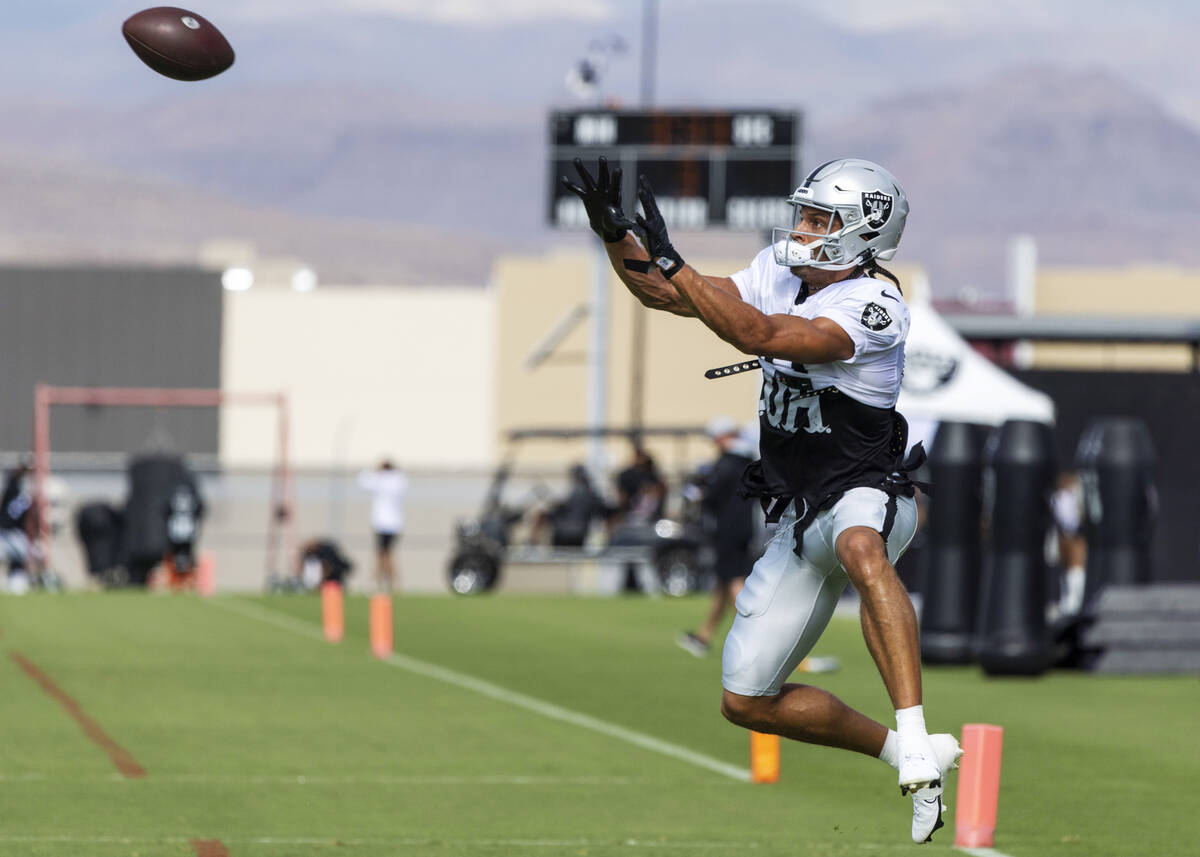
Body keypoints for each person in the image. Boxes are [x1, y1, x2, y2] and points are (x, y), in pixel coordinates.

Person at [563, 156, 961, 843]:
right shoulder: (778, 271)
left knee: (860, 545)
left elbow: (762, 335)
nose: (802, 228)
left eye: (820, 219)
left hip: (868, 485)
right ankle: (898, 753)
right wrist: (614, 238)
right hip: (800, 506)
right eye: (804, 213)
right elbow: (666, 293)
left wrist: (674, 257)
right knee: (744, 699)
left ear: (862, 235)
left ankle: (915, 730)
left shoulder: (874, 305)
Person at [677, 417, 757, 657]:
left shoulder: (726, 463)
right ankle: (704, 635)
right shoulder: (747, 461)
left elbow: (711, 496)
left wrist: (698, 493)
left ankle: (755, 634)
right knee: (723, 583)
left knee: (734, 581)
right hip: (744, 526)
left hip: (728, 529)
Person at [358, 459, 407, 592]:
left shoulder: (381, 480)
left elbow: (363, 481)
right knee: (387, 553)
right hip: (393, 523)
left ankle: (378, 581)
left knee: (382, 554)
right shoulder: (399, 480)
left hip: (383, 523)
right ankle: (391, 583)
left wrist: (374, 470)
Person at [0, 463, 34, 594]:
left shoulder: (19, 490)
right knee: (19, 557)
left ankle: (17, 585)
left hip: (14, 532)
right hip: (7, 532)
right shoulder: (13, 489)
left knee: (19, 560)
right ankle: (16, 584)